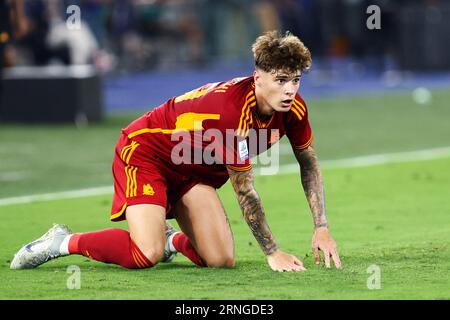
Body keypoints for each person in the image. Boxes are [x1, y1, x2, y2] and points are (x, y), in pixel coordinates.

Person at [11, 30, 341, 272]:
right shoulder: (229, 114)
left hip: (192, 170)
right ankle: (62, 241)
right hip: (146, 153)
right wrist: (273, 251)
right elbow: (245, 191)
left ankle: (171, 240)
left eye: (296, 80)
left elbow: (308, 162)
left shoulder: (294, 109)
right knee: (145, 254)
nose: (290, 90)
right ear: (257, 77)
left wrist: (321, 227)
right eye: (281, 79)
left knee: (220, 261)